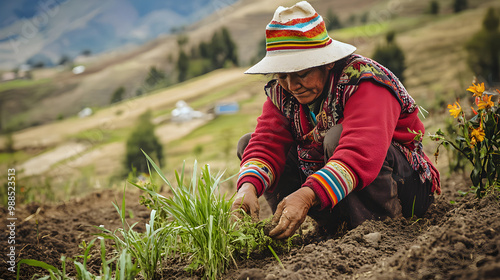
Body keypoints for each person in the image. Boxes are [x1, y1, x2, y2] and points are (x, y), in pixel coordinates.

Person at [231, 1, 440, 239]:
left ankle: (378, 229)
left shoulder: (366, 82)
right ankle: (329, 224)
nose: (291, 86)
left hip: (406, 188)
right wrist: (247, 186)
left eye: (301, 74)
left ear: (327, 62)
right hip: (336, 189)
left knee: (336, 138)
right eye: (282, 76)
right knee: (248, 143)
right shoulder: (284, 93)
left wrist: (307, 194)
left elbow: (360, 151)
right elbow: (267, 142)